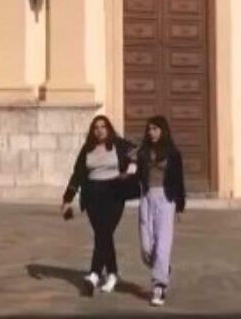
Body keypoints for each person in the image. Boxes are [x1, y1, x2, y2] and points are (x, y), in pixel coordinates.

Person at [61, 115, 135, 296]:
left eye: (103, 127)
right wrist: (67, 199)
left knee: (104, 233)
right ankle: (112, 274)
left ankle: (94, 274)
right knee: (104, 235)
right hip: (93, 196)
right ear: (92, 131)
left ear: (109, 129)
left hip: (114, 194)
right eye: (96, 127)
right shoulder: (87, 148)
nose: (100, 130)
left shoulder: (120, 144)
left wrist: (132, 168)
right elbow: (77, 173)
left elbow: (139, 153)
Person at [135, 116, 186, 307]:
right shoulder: (142, 152)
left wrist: (180, 205)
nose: (151, 132)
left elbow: (179, 181)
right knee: (147, 247)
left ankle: (159, 286)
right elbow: (137, 177)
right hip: (147, 198)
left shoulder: (173, 154)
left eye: (155, 129)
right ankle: (163, 267)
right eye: (149, 129)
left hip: (166, 199)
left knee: (163, 242)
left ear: (163, 130)